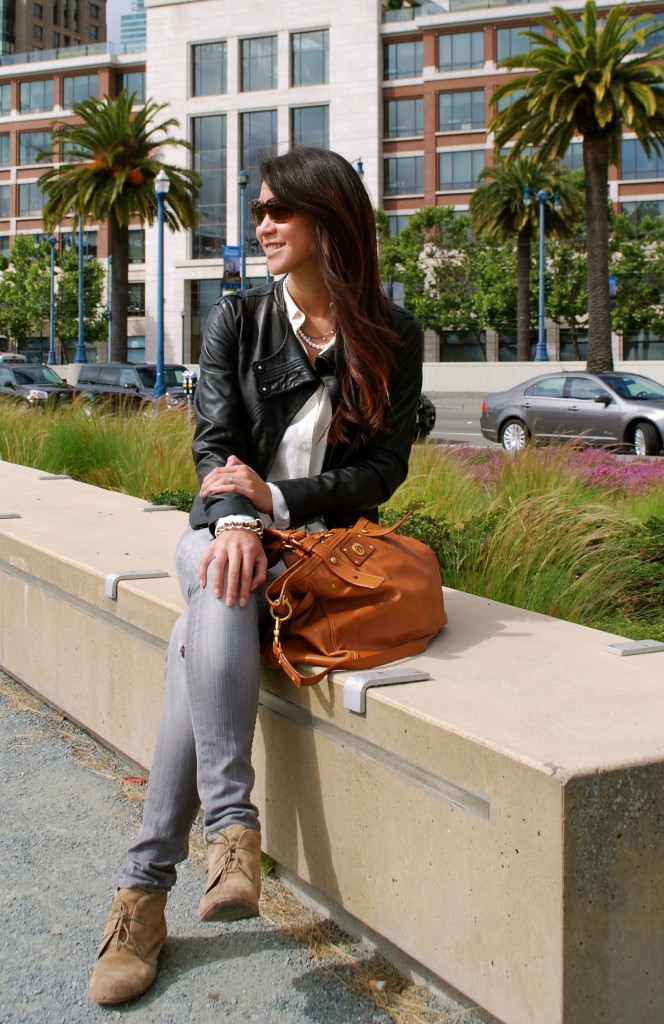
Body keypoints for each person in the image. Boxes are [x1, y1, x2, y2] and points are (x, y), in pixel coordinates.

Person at [88, 147, 424, 1006]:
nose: (261, 225)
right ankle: (233, 825)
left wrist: (276, 499)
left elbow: (383, 470)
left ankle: (143, 894)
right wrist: (239, 517)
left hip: (317, 556)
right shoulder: (237, 318)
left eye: (279, 210)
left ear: (328, 220)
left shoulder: (392, 334)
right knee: (221, 572)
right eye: (258, 210)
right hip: (219, 536)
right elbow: (212, 443)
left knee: (192, 636)